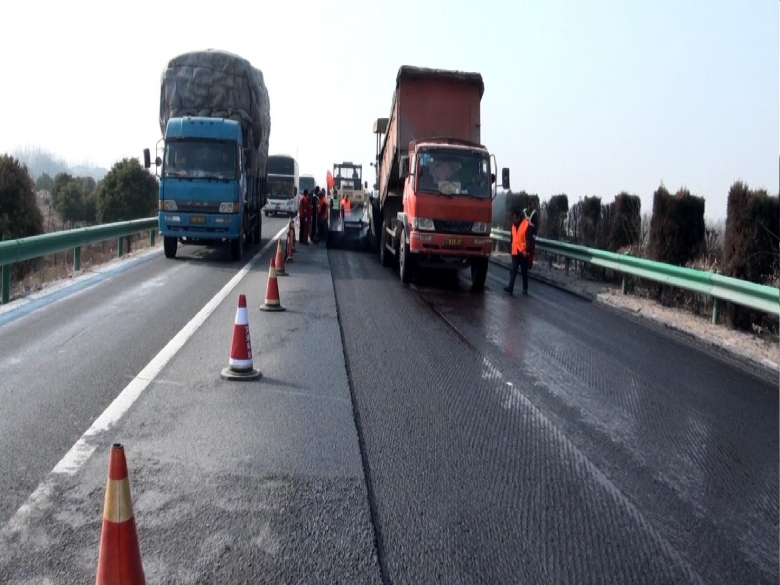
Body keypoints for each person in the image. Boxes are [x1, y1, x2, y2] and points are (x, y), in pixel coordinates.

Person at [504, 199, 537, 295]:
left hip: (523, 253)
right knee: (513, 270)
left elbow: (529, 239)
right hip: (515, 252)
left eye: (515, 218)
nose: (514, 220)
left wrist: (527, 250)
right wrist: (511, 249)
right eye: (513, 218)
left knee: (524, 272)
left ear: (519, 217)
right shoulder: (513, 226)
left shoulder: (526, 225)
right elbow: (512, 239)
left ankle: (525, 289)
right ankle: (510, 288)